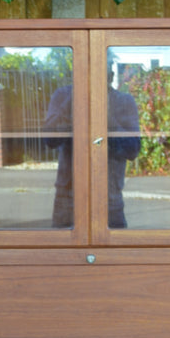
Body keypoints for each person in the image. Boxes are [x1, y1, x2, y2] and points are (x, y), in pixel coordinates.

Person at [43, 57, 140, 228]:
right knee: (62, 252)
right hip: (67, 197)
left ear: (110, 76)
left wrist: (109, 120)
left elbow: (132, 149)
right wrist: (71, 106)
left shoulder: (124, 102)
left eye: (102, 74)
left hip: (109, 197)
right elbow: (50, 140)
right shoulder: (63, 96)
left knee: (114, 250)